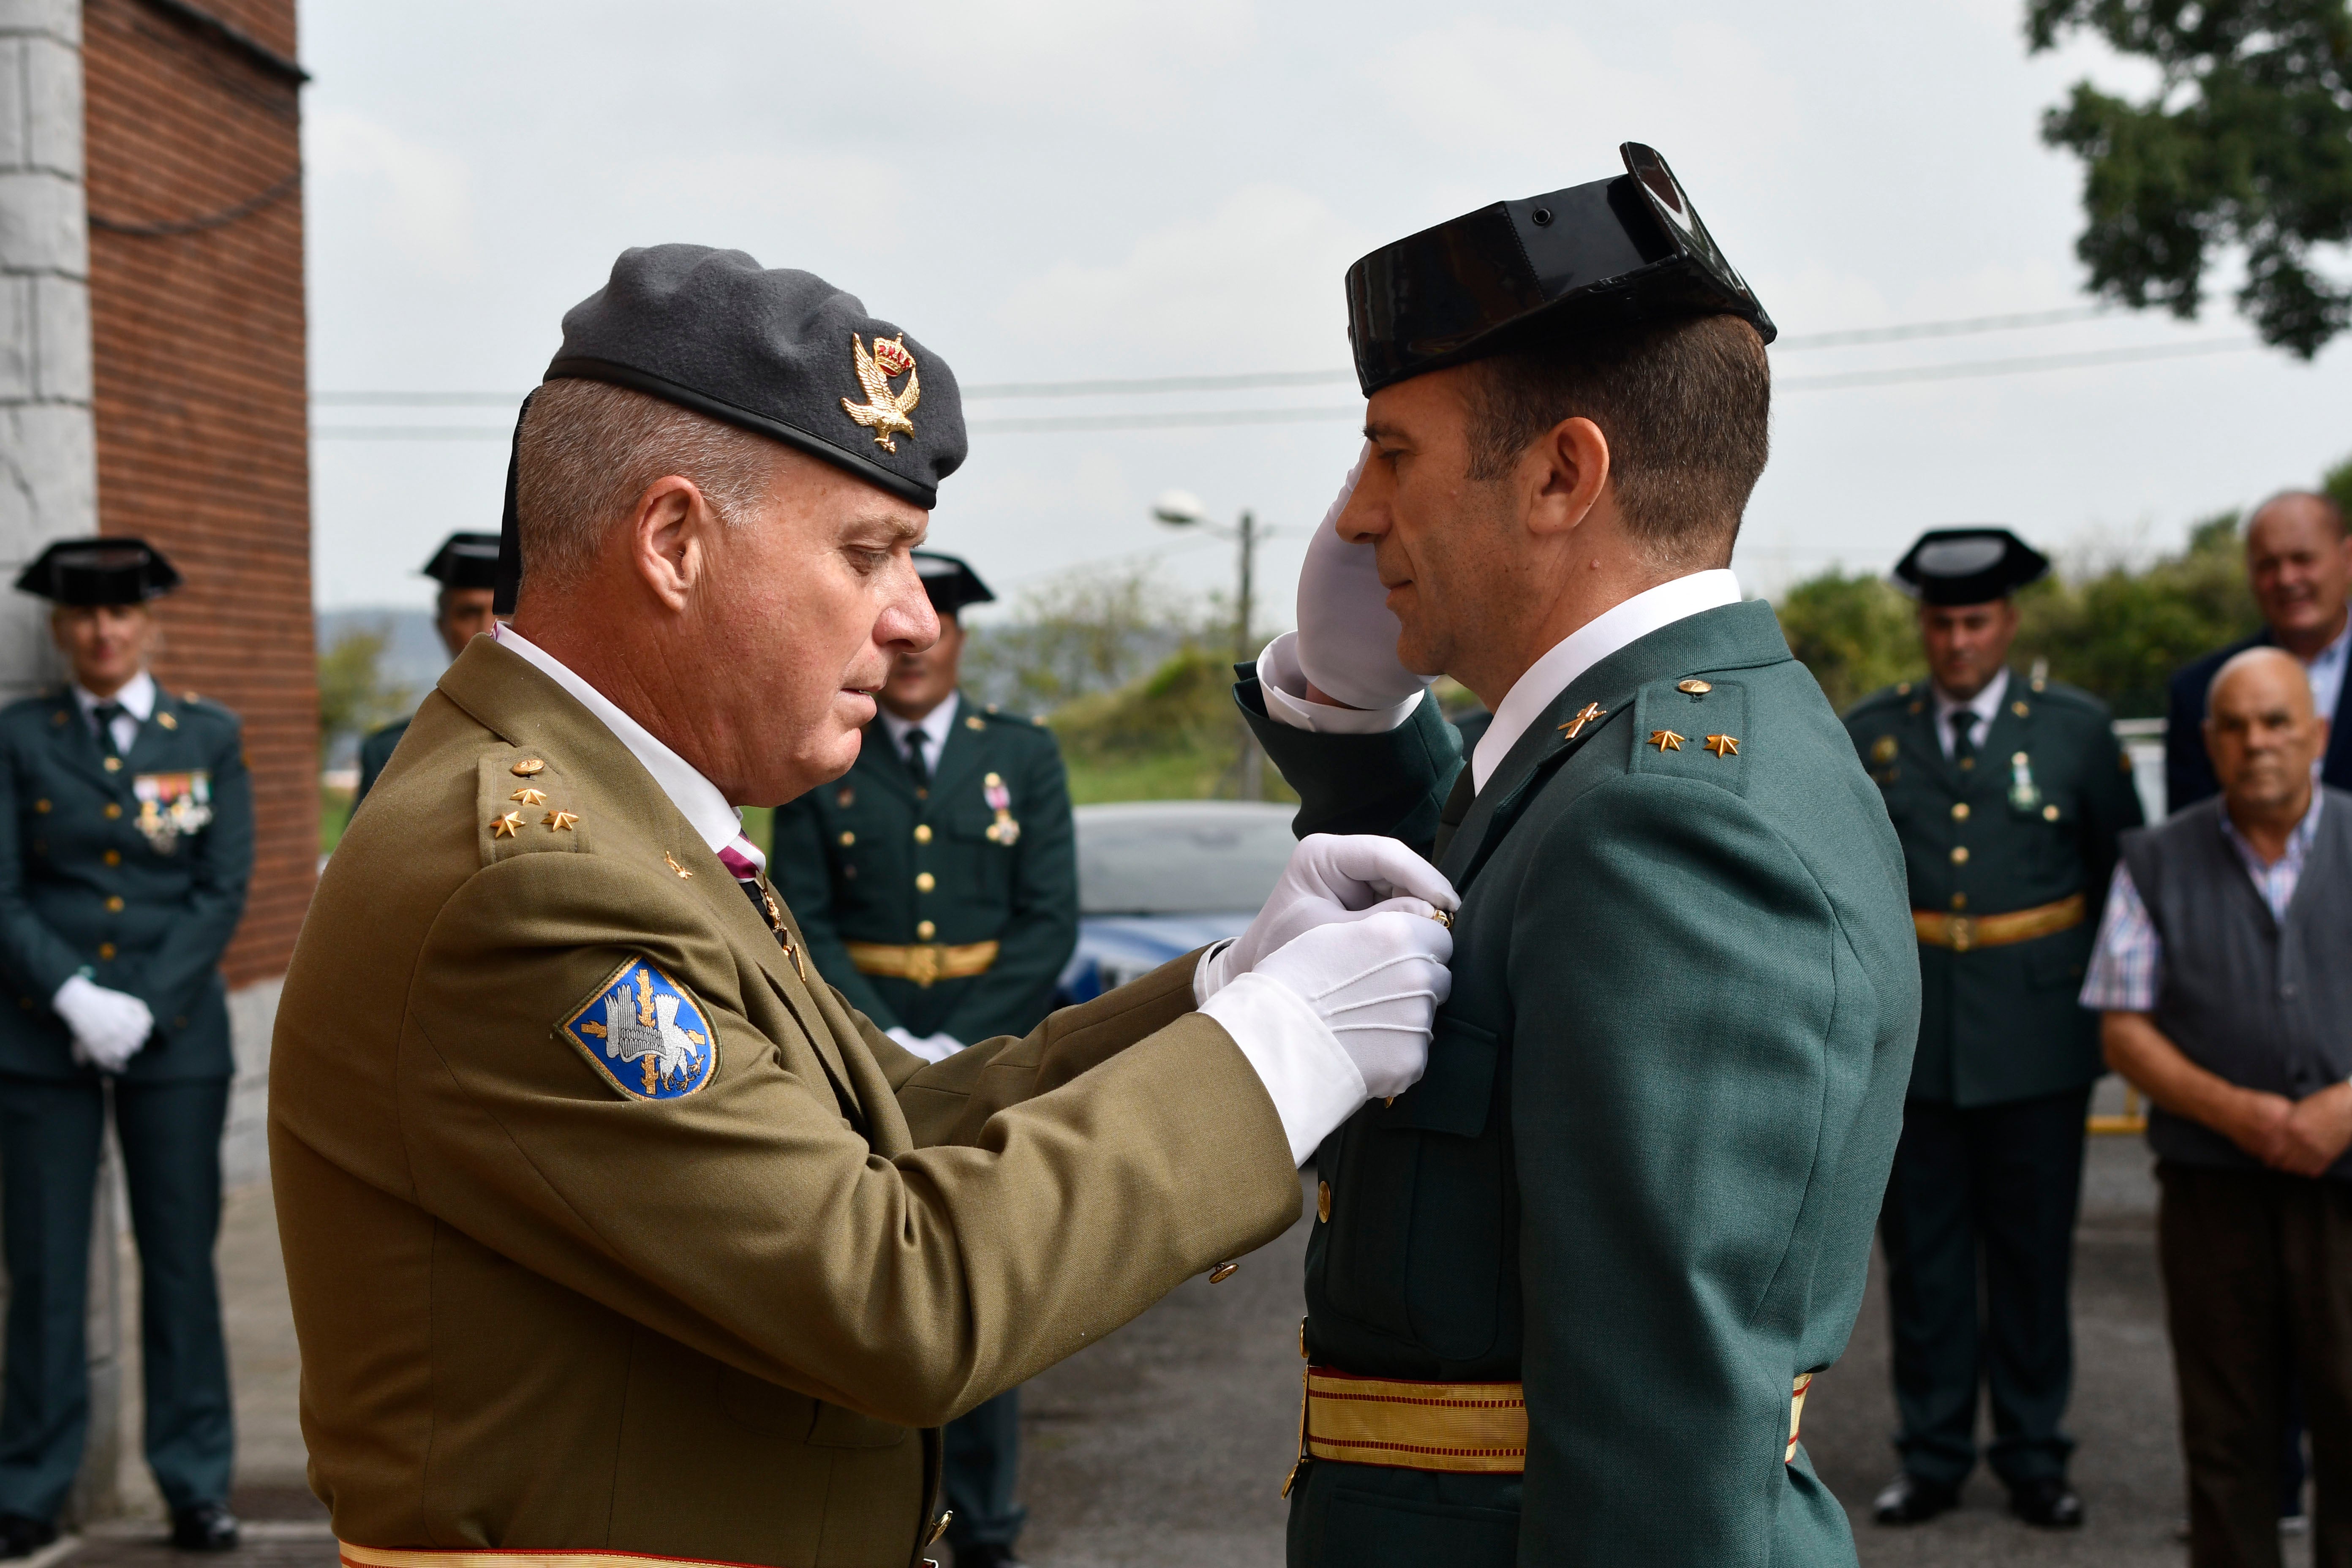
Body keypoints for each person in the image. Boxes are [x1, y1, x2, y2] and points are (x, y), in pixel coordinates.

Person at [270, 245, 1460, 1568]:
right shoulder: (535, 883)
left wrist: (1220, 991)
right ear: (673, 542)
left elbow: (889, 1126)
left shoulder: (620, 819)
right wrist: (1277, 1053)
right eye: (868, 552)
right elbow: (896, 1290)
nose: (911, 621)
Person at [1231, 145, 1921, 1565]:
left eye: (1391, 449)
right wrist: (1356, 717)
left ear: (1560, 474)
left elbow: (1658, 1470)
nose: (1358, 513)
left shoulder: (1666, 823)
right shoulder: (1621, 769)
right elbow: (1488, 907)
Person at [770, 549, 1075, 1568]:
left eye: (938, 620)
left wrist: (959, 1045)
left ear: (960, 638)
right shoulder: (820, 751)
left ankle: (986, 1523)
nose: (913, 643)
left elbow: (1047, 920)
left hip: (993, 1045)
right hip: (861, 1049)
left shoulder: (1020, 755)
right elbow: (797, 920)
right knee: (869, 1281)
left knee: (983, 1274)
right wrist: (890, 1048)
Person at [1844, 528, 2144, 1529]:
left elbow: (2121, 882)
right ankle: (1929, 1456)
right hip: (1918, 1045)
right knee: (1923, 1267)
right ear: (1921, 626)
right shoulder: (1871, 732)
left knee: (2029, 1259)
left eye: (1975, 621)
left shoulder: (2074, 730)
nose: (1957, 641)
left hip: (2038, 1042)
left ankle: (2032, 1453)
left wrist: (2109, 1018)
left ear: (2007, 622)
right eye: (1940, 622)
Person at [0, 538, 253, 1556]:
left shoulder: (207, 734)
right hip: (36, 1034)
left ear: (152, 623)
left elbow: (220, 885)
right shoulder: (19, 737)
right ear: (60, 630)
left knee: (180, 1265)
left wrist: (141, 1003)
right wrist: (69, 990)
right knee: (47, 1268)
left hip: (177, 1036)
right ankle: (30, 1482)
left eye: (121, 613)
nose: (103, 631)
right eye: (82, 616)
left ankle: (196, 1480)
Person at [2088, 646, 2352, 1568]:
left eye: (2278, 721)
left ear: (2316, 733)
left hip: (2347, 1188)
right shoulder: (2155, 860)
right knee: (2226, 1439)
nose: (2257, 742)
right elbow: (2124, 1030)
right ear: (2210, 741)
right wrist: (2241, 1112)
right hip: (2211, 1196)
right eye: (2235, 725)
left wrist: (2341, 1110)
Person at [2166, 491, 2352, 813]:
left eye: (2303, 559)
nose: (2286, 579)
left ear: (2348, 558)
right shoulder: (2200, 693)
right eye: (2268, 565)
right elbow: (2190, 844)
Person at [352, 532, 501, 806]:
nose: (486, 630)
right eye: (468, 613)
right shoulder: (393, 754)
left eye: (503, 612)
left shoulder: (570, 736)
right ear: (441, 625)